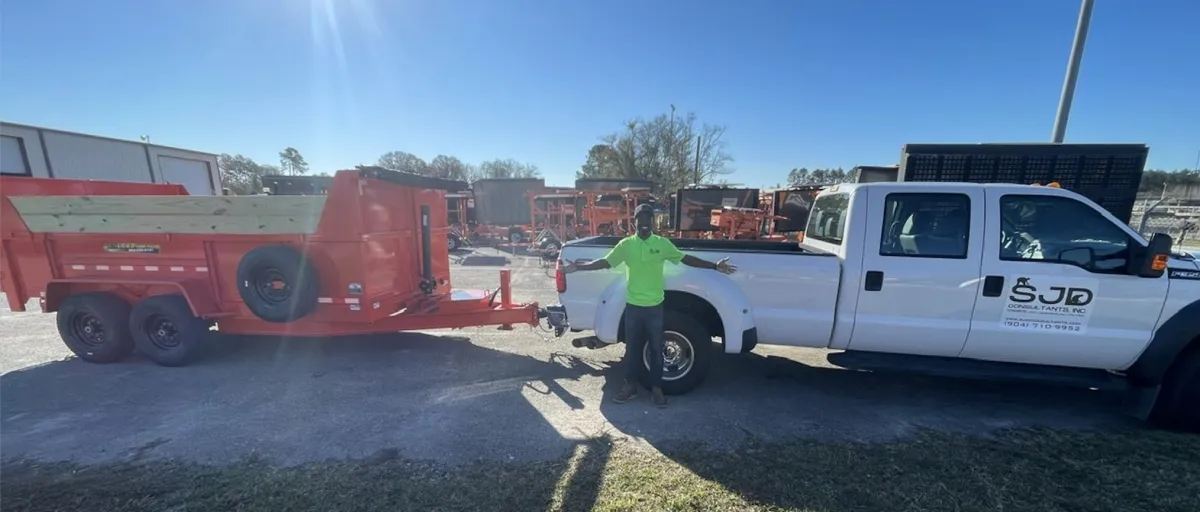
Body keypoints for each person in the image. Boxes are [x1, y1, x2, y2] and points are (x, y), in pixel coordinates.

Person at [562, 204, 736, 407]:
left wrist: (714, 266)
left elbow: (686, 259)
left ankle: (656, 389)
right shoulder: (626, 245)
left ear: (652, 221)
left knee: (655, 349)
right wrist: (577, 267)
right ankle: (630, 387)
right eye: (639, 219)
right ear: (634, 221)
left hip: (655, 307)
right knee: (633, 350)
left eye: (647, 219)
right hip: (633, 307)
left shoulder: (662, 244)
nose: (643, 222)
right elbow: (605, 262)